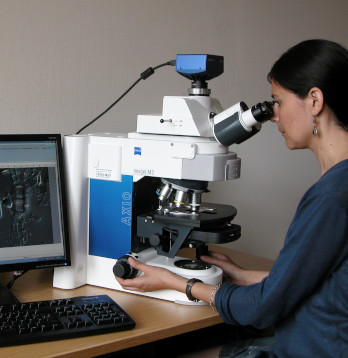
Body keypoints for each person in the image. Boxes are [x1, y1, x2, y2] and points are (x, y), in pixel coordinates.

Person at [116, 39, 348, 358]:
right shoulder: (339, 185)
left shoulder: (331, 197)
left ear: (314, 100)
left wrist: (176, 282)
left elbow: (263, 308)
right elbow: (317, 282)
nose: (273, 116)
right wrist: (244, 275)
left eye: (276, 102)